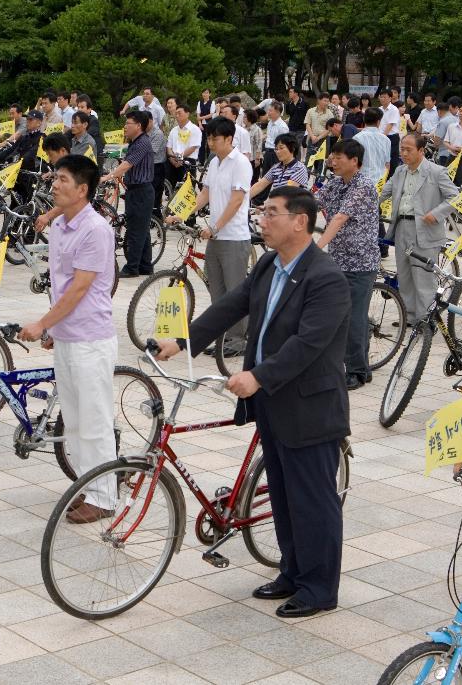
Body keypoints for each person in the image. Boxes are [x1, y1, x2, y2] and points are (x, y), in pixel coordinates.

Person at [155, 186, 350, 618]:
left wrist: (259, 376)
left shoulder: (325, 277)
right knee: (282, 494)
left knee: (313, 500)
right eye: (263, 212)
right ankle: (293, 571)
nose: (262, 219)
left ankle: (319, 589)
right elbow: (230, 306)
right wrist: (184, 341)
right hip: (273, 405)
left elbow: (309, 344)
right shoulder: (268, 265)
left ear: (300, 221)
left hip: (310, 408)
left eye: (272, 213)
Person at [17, 154, 118, 522]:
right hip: (69, 336)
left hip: (91, 339)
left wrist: (43, 323)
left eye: (62, 179)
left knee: (94, 421)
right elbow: (59, 285)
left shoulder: (95, 229)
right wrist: (55, 329)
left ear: (83, 190)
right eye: (55, 178)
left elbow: (79, 289)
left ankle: (105, 498)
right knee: (74, 422)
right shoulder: (60, 226)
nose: (54, 184)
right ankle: (87, 486)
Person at [166, 117, 252, 356]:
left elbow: (236, 201)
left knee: (235, 292)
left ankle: (238, 340)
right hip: (216, 238)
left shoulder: (241, 164)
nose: (211, 142)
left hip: (234, 237)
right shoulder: (215, 163)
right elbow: (204, 193)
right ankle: (223, 336)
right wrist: (181, 214)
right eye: (209, 138)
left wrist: (215, 227)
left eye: (215, 138)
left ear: (228, 138)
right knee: (218, 292)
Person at [316, 139, 380, 390]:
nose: (333, 160)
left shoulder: (363, 186)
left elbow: (340, 217)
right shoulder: (335, 183)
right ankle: (358, 365)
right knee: (346, 315)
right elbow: (315, 202)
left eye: (339, 156)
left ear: (355, 161)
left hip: (360, 262)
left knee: (353, 317)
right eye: (333, 155)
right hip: (339, 259)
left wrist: (316, 247)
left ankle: (356, 371)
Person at [381, 133, 459, 324]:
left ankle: (426, 319)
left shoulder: (436, 172)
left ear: (421, 151)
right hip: (401, 227)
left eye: (408, 150)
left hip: (425, 228)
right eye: (402, 149)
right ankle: (409, 315)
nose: (404, 153)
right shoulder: (400, 171)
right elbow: (384, 192)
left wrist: (436, 213)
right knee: (405, 274)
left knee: (423, 276)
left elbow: (454, 197)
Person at [100, 110, 155, 278]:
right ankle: (145, 266)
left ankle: (132, 268)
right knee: (142, 230)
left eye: (128, 123)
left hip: (141, 192)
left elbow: (127, 165)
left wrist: (108, 177)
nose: (125, 127)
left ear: (138, 126)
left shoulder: (142, 143)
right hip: (137, 191)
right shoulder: (135, 142)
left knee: (135, 231)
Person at [249, 133, 308, 201]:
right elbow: (260, 185)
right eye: (276, 149)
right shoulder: (276, 168)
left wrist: (270, 205)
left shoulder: (299, 168)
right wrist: (244, 198)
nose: (278, 152)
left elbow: (288, 192)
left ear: (293, 148)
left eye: (281, 148)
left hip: (296, 208)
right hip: (280, 206)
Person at [165, 104, 202, 190]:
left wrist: (180, 158)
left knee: (186, 191)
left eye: (179, 113)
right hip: (173, 162)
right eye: (176, 113)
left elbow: (193, 147)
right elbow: (169, 147)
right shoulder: (174, 130)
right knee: (171, 190)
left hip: (187, 162)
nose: (177, 115)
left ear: (187, 114)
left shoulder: (194, 129)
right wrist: (172, 159)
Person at [354, 107, 391, 182]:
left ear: (364, 120)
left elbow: (353, 163)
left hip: (362, 182)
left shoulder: (357, 138)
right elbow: (387, 165)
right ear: (378, 122)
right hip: (380, 182)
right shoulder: (386, 140)